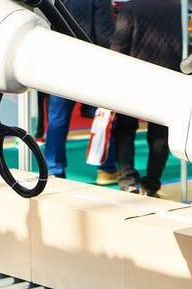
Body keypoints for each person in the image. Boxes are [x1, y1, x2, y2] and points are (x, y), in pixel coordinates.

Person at [110, 0, 181, 196]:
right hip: (169, 79)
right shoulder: (178, 9)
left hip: (134, 80)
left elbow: (119, 46)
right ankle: (151, 183)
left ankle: (128, 180)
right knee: (160, 136)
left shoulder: (130, 9)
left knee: (125, 129)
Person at [44, 0, 119, 184]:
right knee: (101, 116)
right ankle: (106, 168)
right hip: (92, 64)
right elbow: (104, 35)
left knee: (57, 119)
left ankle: (54, 169)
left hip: (62, 63)